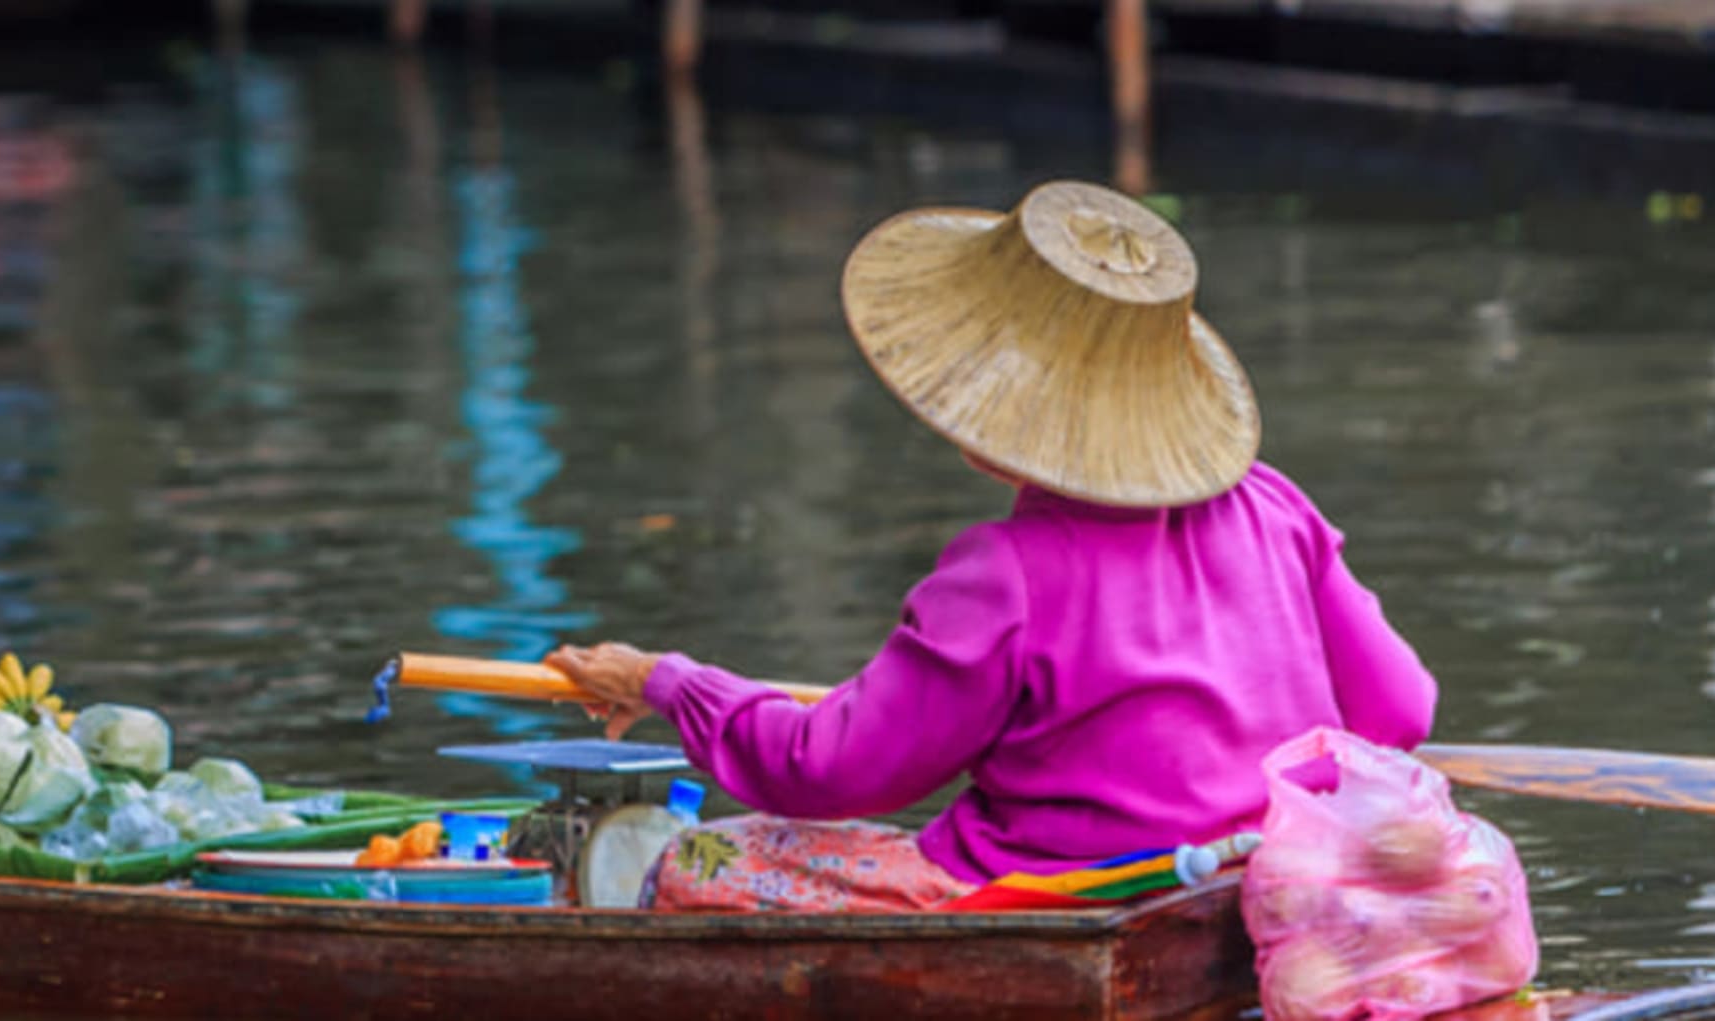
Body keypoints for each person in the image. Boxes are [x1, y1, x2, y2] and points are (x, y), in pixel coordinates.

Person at [543, 181, 1438, 912]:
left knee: (701, 860)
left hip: (1062, 903)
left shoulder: (1005, 573)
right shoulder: (1273, 504)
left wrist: (669, 683)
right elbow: (1400, 708)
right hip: (1259, 888)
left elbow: (830, 767)